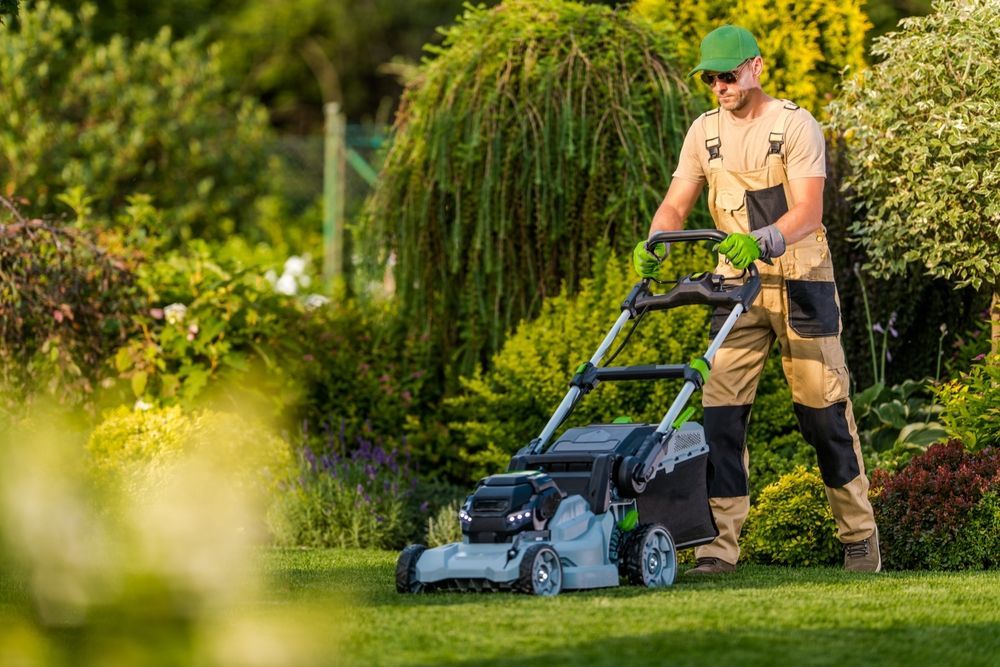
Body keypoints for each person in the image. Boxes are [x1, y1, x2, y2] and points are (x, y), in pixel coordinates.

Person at [632, 25, 880, 574]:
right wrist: (656, 242)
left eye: (729, 75)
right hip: (735, 284)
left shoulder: (794, 125)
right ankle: (718, 548)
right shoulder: (704, 132)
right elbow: (676, 203)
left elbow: (809, 213)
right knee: (719, 416)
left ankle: (860, 537)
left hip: (799, 279)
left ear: (756, 67)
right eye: (712, 78)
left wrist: (762, 239)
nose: (720, 86)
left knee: (823, 415)